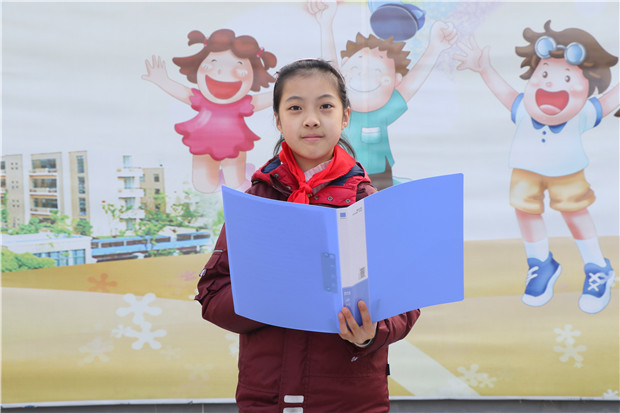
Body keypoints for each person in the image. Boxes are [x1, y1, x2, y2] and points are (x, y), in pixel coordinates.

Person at [195, 58, 420, 412]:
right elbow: (213, 295)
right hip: (267, 399)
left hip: (352, 401)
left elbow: (406, 304)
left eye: (325, 106)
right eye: (295, 107)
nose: (311, 119)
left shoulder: (369, 204)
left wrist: (372, 333)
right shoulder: (255, 202)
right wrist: (271, 297)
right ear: (278, 120)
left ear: (345, 117)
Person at [454, 20, 618, 313]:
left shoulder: (582, 114)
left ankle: (597, 266)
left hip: (568, 173)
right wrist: (485, 69)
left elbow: (607, 101)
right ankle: (541, 263)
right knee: (526, 212)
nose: (550, 83)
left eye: (566, 77)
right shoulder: (523, 110)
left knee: (574, 213)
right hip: (525, 170)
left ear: (586, 86)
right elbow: (505, 94)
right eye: (544, 74)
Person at [142, 29, 277, 193]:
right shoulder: (200, 98)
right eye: (213, 62)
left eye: (238, 67)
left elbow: (267, 98)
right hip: (203, 142)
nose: (222, 72)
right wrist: (163, 80)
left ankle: (242, 175)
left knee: (236, 184)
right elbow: (183, 92)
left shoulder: (243, 103)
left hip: (234, 144)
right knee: (203, 186)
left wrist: (284, 86)